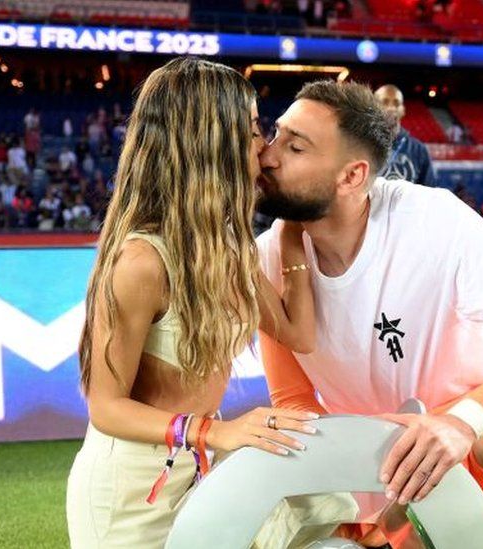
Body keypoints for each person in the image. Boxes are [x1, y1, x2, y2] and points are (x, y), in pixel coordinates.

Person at [255, 80, 483, 549]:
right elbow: (294, 403)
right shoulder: (269, 258)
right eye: (275, 134)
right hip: (363, 463)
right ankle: (378, 530)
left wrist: (463, 422)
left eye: (295, 146)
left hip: (461, 445)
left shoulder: (433, 221)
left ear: (352, 176)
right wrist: (364, 476)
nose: (269, 154)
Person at [66, 58, 320, 548]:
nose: (264, 149)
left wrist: (290, 239)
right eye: (251, 131)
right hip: (129, 496)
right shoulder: (141, 261)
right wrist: (215, 433)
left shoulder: (229, 245)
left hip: (198, 471)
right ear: (211, 146)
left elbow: (298, 334)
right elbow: (106, 408)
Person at [373, 84, 436, 187]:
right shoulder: (362, 146)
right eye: (384, 102)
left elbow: (429, 193)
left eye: (396, 103)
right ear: (373, 108)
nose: (391, 108)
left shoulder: (419, 150)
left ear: (403, 110)